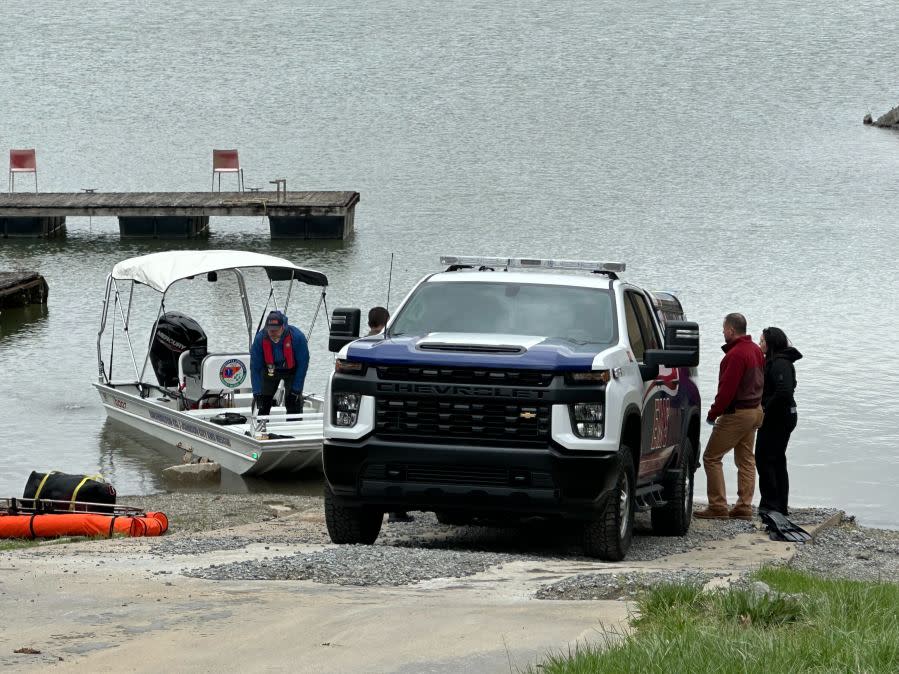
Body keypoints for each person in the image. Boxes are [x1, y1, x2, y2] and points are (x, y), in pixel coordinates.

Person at [695, 313, 765, 520]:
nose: (722, 332)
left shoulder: (735, 355)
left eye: (724, 329)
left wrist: (713, 413)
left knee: (711, 457)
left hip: (738, 413)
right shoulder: (755, 350)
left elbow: (727, 390)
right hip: (755, 411)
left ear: (732, 330)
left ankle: (717, 506)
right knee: (746, 460)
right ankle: (744, 506)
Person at [367, 306, 414, 523]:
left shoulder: (362, 345)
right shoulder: (395, 344)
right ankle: (397, 511)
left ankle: (387, 509)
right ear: (388, 321)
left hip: (371, 421)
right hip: (395, 415)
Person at [755, 327, 802, 516]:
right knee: (775, 459)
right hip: (782, 416)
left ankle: (772, 504)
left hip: (779, 417)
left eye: (762, 342)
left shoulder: (780, 363)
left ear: (771, 343)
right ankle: (777, 504)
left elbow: (784, 391)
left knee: (766, 458)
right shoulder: (775, 361)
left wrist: (764, 408)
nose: (760, 345)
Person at [250, 310, 310, 417]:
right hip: (270, 371)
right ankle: (260, 430)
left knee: (293, 401)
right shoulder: (260, 339)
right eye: (270, 330)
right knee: (261, 403)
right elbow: (255, 368)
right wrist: (257, 392)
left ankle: (293, 429)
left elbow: (303, 365)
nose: (273, 334)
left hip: (292, 372)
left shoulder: (297, 337)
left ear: (282, 327)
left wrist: (296, 389)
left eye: (276, 330)